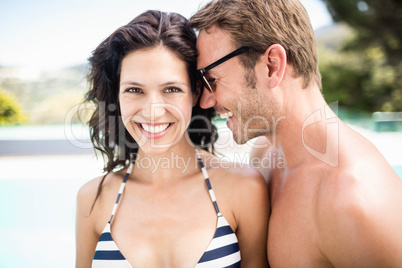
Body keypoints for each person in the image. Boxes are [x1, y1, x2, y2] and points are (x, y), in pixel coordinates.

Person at [190, 0, 402, 267]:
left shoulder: (355, 202)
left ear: (272, 66)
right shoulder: (266, 154)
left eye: (211, 80)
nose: (206, 101)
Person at [75, 10, 269, 268]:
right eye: (134, 90)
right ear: (117, 96)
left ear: (195, 92)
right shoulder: (93, 199)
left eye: (171, 89)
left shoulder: (243, 188)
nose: (152, 110)